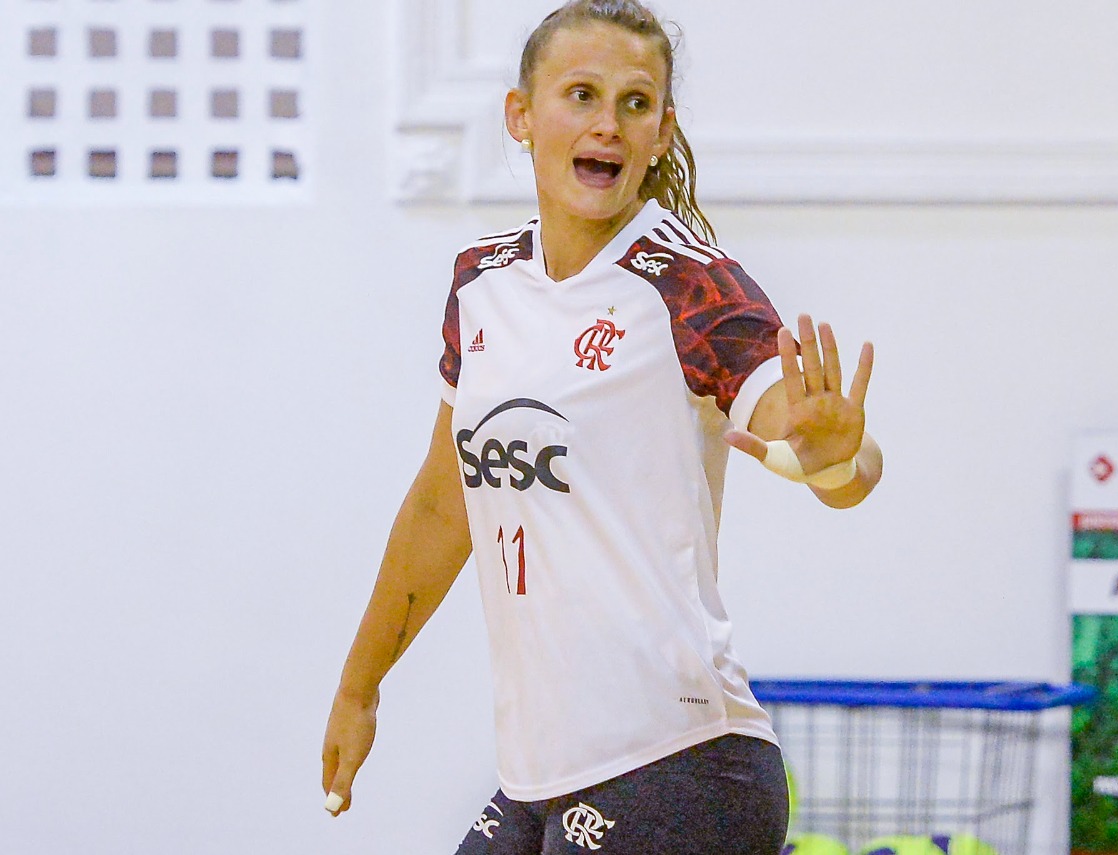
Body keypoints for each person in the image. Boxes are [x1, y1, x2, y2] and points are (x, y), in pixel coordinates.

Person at [321, 1, 883, 852]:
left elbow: (820, 452)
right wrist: (360, 686)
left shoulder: (692, 287)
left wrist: (838, 455)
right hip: (539, 772)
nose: (607, 125)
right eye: (581, 94)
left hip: (683, 763)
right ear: (521, 115)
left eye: (634, 102)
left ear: (662, 132)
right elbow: (444, 505)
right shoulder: (482, 281)